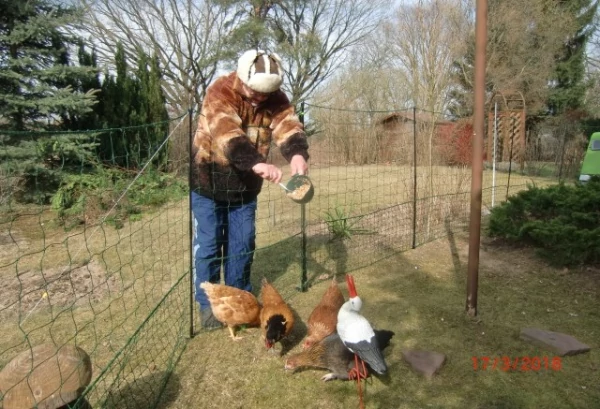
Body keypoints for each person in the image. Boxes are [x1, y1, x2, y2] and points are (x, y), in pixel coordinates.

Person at [191, 49, 310, 329]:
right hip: (209, 182)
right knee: (209, 246)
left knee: (243, 244)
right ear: (243, 79)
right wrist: (257, 163)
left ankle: (241, 298)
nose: (259, 98)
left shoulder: (276, 99)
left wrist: (297, 154)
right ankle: (208, 305)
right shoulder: (220, 91)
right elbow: (226, 133)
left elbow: (288, 125)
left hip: (245, 190)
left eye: (265, 94)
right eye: (254, 91)